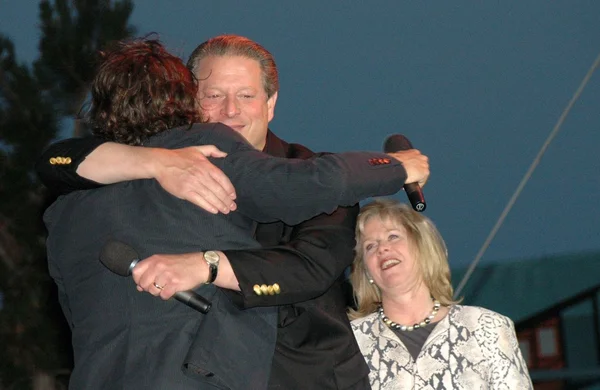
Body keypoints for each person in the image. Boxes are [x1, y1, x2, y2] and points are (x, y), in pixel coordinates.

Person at [37, 35, 429, 389]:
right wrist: (156, 162)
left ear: (270, 103)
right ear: (190, 102)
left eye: (245, 95)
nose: (230, 111)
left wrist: (208, 265)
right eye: (213, 96)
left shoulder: (313, 173)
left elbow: (309, 267)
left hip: (304, 378)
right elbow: (54, 160)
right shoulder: (165, 166)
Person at [349, 199, 533, 389]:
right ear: (366, 271)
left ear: (423, 248)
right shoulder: (349, 343)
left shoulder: (487, 327)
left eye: (393, 236)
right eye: (370, 246)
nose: (382, 248)